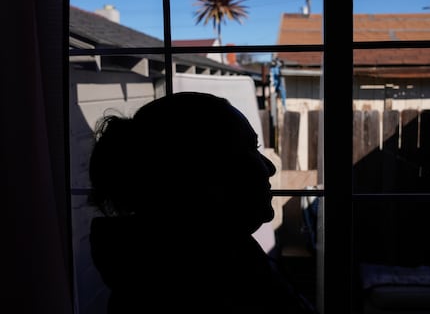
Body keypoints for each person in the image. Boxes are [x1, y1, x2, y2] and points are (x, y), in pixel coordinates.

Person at [88, 92, 318, 314]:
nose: (269, 167)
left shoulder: (229, 264)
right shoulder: (212, 289)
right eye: (249, 149)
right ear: (198, 175)